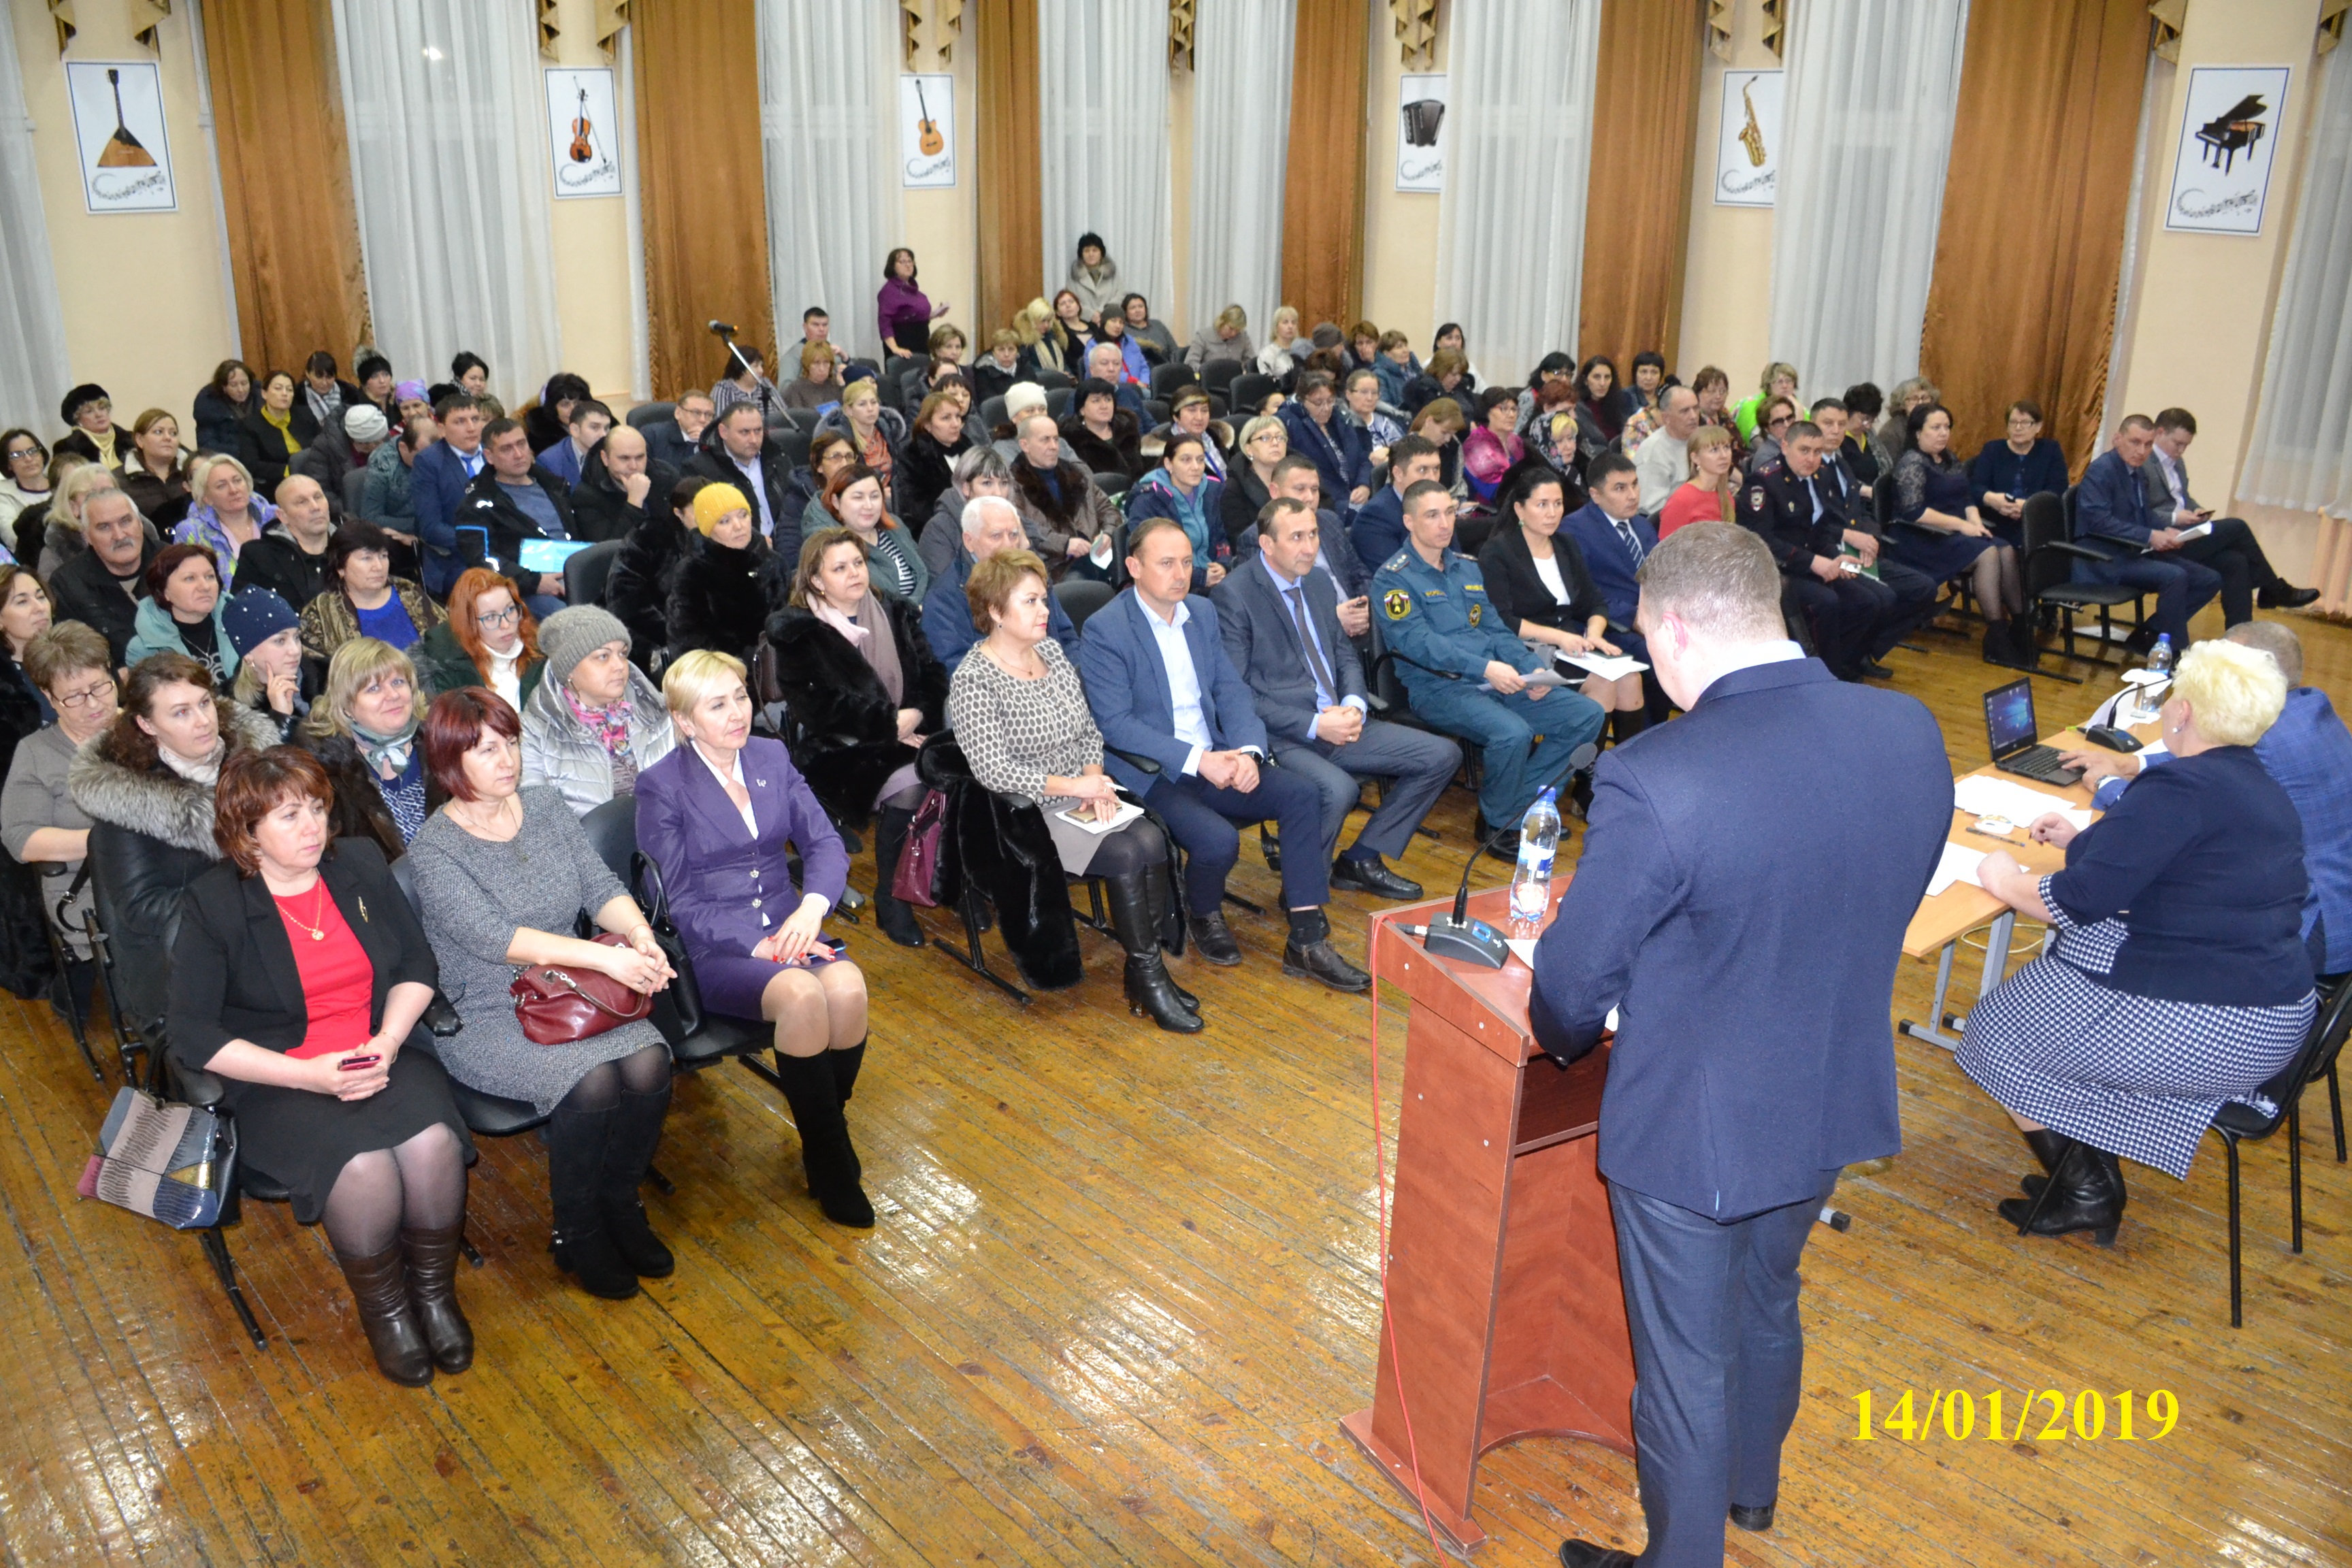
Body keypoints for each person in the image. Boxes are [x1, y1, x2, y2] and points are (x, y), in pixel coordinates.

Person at [1534, 522, 1949, 1568]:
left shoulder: (1662, 775)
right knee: (1768, 1298)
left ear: (1672, 627)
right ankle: (1753, 1496)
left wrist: (1580, 1018)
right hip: (1832, 1091)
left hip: (1695, 1130)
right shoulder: (1907, 727)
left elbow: (1573, 990)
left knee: (1683, 1363)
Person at [1959, 639, 2315, 1252]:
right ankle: (2086, 1164)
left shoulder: (2179, 789)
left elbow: (2067, 903)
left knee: (1996, 1030)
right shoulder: (2255, 783)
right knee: (2056, 993)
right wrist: (2083, 841)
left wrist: (2001, 877)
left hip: (2215, 1027)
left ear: (2184, 714)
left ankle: (2086, 1189)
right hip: (2274, 1012)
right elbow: (2173, 864)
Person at [169, 747, 474, 1385]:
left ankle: (434, 1294)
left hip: (377, 1045)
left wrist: (389, 1041)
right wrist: (312, 1075)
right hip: (280, 1074)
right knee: (363, 1168)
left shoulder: (358, 864)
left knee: (432, 1146)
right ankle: (386, 1311)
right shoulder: (214, 903)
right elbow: (194, 1034)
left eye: (317, 809)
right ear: (245, 832)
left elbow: (418, 967)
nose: (313, 828)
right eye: (288, 816)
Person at [408, 686, 678, 1300]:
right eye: (485, 750)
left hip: (575, 993)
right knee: (594, 1081)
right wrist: (609, 956)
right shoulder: (434, 849)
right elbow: (497, 939)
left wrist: (638, 935)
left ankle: (620, 1200)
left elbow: (597, 882)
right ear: (450, 762)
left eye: (511, 743)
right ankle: (577, 1232)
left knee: (649, 1060)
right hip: (489, 1009)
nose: (507, 759)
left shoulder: (547, 805)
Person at [636, 649, 874, 1223]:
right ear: (685, 721)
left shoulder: (770, 754)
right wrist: (759, 944)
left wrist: (811, 910)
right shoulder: (660, 786)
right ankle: (830, 1158)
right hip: (716, 949)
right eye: (717, 704)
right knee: (800, 994)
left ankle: (826, 1129)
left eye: (740, 696)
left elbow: (823, 844)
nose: (738, 711)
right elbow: (674, 901)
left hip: (791, 926)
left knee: (848, 987)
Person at [1080, 516, 1367, 990]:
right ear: (1133, 566)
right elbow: (1115, 725)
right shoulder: (1106, 628)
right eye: (1166, 563)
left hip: (1218, 755)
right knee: (1218, 842)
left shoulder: (1201, 612)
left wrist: (1250, 753)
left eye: (1187, 562)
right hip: (1155, 772)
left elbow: (1231, 692)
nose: (1180, 574)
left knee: (1301, 795)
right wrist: (1201, 762)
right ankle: (1204, 912)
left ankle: (1308, 939)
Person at [947, 547, 1197, 1029]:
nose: (1046, 611)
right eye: (1031, 602)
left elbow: (1088, 731)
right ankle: (1147, 976)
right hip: (1024, 812)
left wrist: (1094, 779)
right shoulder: (973, 680)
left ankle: (1146, 973)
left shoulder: (1054, 655)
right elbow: (994, 771)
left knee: (1149, 837)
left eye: (1044, 600)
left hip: (1079, 790)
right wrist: (1074, 784)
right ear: (996, 612)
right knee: (1128, 853)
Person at [2058, 621, 2352, 982]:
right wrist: (2133, 763)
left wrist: (2107, 785)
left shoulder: (2266, 742)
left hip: (2308, 930)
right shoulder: (2310, 708)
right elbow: (2220, 762)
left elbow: (2163, 820)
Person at [1214, 497, 1454, 900]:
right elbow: (1237, 693)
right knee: (1339, 790)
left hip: (1340, 720)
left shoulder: (1319, 582)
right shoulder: (1234, 595)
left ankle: (1361, 858)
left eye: (1313, 535)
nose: (1310, 547)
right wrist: (1314, 724)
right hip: (1284, 734)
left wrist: (1355, 705)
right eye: (1296, 538)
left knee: (1441, 756)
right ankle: (1302, 892)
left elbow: (1344, 653)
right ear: (1267, 545)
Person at [1375, 480, 1607, 849]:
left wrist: (1532, 669)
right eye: (1432, 515)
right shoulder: (1394, 579)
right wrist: (1486, 669)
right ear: (1408, 521)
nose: (1444, 523)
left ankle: (1524, 808)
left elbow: (1496, 630)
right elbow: (1421, 645)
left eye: (1450, 513)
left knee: (1586, 716)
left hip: (1499, 677)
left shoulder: (1466, 569)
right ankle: (1496, 825)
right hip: (1441, 687)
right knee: (1512, 733)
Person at [760, 527, 948, 946]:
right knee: (914, 786)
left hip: (908, 730)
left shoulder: (893, 611)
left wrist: (915, 715)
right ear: (816, 580)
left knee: (965, 769)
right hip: (841, 750)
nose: (854, 574)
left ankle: (950, 881)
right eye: (840, 568)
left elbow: (932, 673)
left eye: (858, 563)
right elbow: (822, 710)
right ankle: (891, 895)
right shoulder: (798, 633)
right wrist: (891, 726)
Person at [67, 653, 282, 981]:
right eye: (182, 713)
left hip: (272, 928)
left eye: (205, 703)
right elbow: (142, 909)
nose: (203, 720)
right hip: (184, 961)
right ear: (147, 724)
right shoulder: (130, 798)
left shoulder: (252, 762)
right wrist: (251, 897)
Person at [1479, 471, 1646, 747]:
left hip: (1571, 648)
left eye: (1558, 504)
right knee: (1603, 683)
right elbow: (1502, 620)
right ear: (1520, 509)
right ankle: (1587, 780)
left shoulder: (1566, 544)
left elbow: (1594, 601)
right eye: (1542, 504)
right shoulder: (1498, 552)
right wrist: (1560, 638)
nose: (1552, 513)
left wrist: (1594, 634)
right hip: (1525, 652)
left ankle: (1627, 769)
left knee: (1630, 679)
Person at [5, 623, 117, 1011]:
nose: (93, 704)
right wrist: (107, 839)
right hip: (87, 888)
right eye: (74, 697)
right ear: (50, 699)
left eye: (100, 686)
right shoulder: (36, 753)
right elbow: (22, 838)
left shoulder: (144, 726)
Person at [1739, 427, 1907, 681]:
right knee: (1826, 602)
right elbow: (1763, 541)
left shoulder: (1819, 476)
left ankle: (1847, 663)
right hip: (1783, 569)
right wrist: (1816, 563)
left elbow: (1821, 529)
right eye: (1804, 450)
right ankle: (1823, 675)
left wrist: (1836, 558)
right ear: (1785, 447)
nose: (1811, 458)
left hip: (1823, 560)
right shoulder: (1764, 482)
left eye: (1817, 452)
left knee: (1879, 597)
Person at [1886, 404, 2030, 667]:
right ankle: (1996, 635)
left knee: (2005, 549)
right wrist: (1962, 526)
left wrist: (1975, 522)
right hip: (1920, 538)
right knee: (1987, 554)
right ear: (1918, 432)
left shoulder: (1949, 458)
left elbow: (1966, 497)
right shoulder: (1911, 462)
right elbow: (1914, 512)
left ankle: (2020, 626)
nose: (1943, 434)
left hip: (1951, 533)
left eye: (1947, 427)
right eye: (1935, 428)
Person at [2142, 408, 2319, 619]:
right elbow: (2141, 511)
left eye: (2186, 446)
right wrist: (2176, 517)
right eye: (2178, 444)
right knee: (2237, 527)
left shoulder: (2177, 463)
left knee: (2235, 561)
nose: (2181, 451)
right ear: (2160, 432)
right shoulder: (2143, 463)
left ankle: (2239, 636)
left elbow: (2183, 498)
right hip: (2160, 541)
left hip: (2185, 534)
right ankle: (2273, 588)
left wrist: (2196, 510)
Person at [2072, 414, 2222, 651]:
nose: (2142, 451)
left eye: (2148, 444)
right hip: (2104, 557)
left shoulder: (2137, 472)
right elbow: (2099, 523)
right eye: (2135, 442)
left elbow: (2143, 514)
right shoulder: (2101, 471)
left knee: (2208, 579)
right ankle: (2175, 653)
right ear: (2117, 439)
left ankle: (2148, 635)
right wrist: (2151, 536)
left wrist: (2166, 531)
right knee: (2175, 576)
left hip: (2132, 551)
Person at [523, 604, 675, 813]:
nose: (619, 666)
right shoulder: (533, 732)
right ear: (569, 670)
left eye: (622, 654)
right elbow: (539, 818)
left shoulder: (657, 709)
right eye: (603, 656)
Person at [301, 638, 439, 855]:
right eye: (374, 688)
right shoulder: (326, 779)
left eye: (398, 682)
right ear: (347, 707)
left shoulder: (446, 745)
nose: (393, 695)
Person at [922, 495, 1082, 674]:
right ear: (969, 541)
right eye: (996, 536)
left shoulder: (1033, 578)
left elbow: (1067, 639)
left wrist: (1070, 678)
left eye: (1013, 535)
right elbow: (956, 668)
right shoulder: (944, 599)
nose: (1007, 545)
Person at [455, 419, 577, 615]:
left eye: (522, 444)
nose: (519, 455)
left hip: (574, 572)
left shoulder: (557, 487)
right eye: (506, 449)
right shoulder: (477, 505)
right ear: (489, 457)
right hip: (523, 588)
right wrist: (535, 582)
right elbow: (482, 559)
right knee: (567, 618)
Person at [297, 521, 443, 661]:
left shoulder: (409, 592)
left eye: (383, 556)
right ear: (340, 567)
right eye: (367, 558)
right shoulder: (321, 613)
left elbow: (447, 638)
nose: (379, 566)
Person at [47, 489, 155, 670]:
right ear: (87, 536)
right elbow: (72, 658)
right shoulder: (67, 584)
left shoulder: (174, 564)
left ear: (141, 524)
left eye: (126, 521)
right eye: (104, 527)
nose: (119, 535)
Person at [1007, 412, 1122, 581]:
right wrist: (1065, 544)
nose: (1054, 446)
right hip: (1054, 566)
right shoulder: (1012, 485)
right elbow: (1022, 529)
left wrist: (1107, 534)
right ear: (1025, 445)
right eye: (1045, 440)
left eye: (1056, 439)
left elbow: (1108, 509)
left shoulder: (1077, 473)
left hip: (1097, 556)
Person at [418, 568, 544, 710]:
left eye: (510, 610)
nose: (506, 624)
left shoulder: (542, 650)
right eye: (490, 617)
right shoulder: (448, 668)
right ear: (469, 624)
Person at [689, 402, 798, 563]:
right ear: (723, 432)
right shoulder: (700, 469)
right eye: (745, 432)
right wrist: (756, 544)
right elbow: (702, 527)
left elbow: (793, 510)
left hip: (785, 547)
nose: (754, 439)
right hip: (735, 557)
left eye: (758, 431)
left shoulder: (778, 458)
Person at [408, 393, 491, 595]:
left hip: (507, 551)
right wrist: (481, 543)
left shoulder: (495, 452)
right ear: (442, 429)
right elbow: (430, 527)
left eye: (475, 419)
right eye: (460, 422)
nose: (471, 428)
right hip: (456, 559)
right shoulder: (428, 463)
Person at [1126, 434, 1229, 593]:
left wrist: (1223, 565)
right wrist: (1199, 577)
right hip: (1171, 586)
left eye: (1200, 460)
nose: (1196, 467)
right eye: (1186, 460)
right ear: (1168, 464)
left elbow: (1223, 536)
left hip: (1215, 581)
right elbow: (1149, 554)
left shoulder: (1213, 491)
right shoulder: (1148, 500)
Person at [127, 544, 240, 681]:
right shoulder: (145, 650)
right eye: (190, 578)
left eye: (210, 576)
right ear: (163, 591)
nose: (205, 586)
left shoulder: (243, 621)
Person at [1967, 399, 2070, 544]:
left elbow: (2058, 490)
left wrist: (2029, 505)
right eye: (2013, 423)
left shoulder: (2051, 450)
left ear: (2038, 426)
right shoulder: (1992, 449)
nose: (2018, 428)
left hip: (2036, 522)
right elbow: (1975, 487)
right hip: (1997, 521)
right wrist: (1991, 499)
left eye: (2025, 423)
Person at [234, 474, 337, 610]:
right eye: (302, 502)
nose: (315, 507)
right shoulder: (259, 557)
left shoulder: (353, 545)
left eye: (318, 497)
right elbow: (243, 612)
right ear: (283, 516)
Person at [1279, 372, 1373, 519]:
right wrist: (1344, 504)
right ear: (1302, 401)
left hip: (1356, 499)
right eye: (1318, 403)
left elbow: (1362, 458)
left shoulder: (1340, 418)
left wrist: (1364, 485)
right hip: (1327, 506)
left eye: (1330, 401)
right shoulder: (1289, 423)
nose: (1326, 408)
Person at [225, 589, 312, 740]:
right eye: (280, 641)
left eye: (297, 637)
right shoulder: (231, 712)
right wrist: (281, 718)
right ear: (248, 652)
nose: (295, 650)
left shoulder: (329, 679)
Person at [569, 424, 675, 547]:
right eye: (624, 458)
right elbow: (608, 552)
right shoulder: (586, 496)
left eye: (640, 457)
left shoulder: (666, 477)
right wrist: (634, 502)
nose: (634, 466)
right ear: (605, 458)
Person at [1348, 435, 1441, 574]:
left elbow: (1454, 560)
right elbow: (1396, 577)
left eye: (1436, 469)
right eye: (1423, 470)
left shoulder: (1438, 504)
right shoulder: (1374, 517)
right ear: (1398, 474)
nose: (1433, 478)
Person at [918, 447, 1016, 578]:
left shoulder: (1014, 519)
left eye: (1004, 483)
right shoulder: (939, 529)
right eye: (987, 483)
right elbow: (945, 590)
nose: (998, 493)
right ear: (966, 488)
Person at [175, 453, 276, 566]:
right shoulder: (192, 532)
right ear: (207, 498)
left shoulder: (277, 518)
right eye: (221, 486)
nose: (234, 490)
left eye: (237, 481)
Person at [893, 390, 972, 532]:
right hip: (932, 527)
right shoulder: (913, 453)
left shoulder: (966, 446)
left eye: (958, 417)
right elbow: (917, 506)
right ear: (927, 425)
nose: (955, 424)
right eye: (946, 418)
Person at [817, 377, 903, 499]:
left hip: (893, 495)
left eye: (874, 402)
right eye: (862, 404)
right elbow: (843, 483)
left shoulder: (888, 430)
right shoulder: (842, 440)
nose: (870, 409)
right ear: (849, 410)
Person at [292, 402, 389, 504]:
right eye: (376, 443)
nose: (381, 446)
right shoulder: (324, 447)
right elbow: (320, 491)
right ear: (360, 441)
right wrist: (347, 510)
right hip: (347, 507)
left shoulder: (380, 433)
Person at [1060, 377, 1147, 485]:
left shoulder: (1127, 430)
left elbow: (1140, 472)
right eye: (1096, 401)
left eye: (1108, 399)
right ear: (1082, 409)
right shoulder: (1071, 439)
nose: (1104, 406)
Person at [1219, 416, 1289, 548]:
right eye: (1265, 438)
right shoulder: (1233, 489)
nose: (1275, 443)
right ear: (1248, 449)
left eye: (1280, 438)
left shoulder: (1297, 479)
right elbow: (1240, 540)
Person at [1659, 425, 1737, 539]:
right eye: (1714, 450)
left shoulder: (1726, 496)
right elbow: (1666, 548)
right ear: (1696, 458)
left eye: (1726, 447)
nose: (1724, 456)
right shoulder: (1681, 500)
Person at [120, 409, 194, 530]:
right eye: (158, 432)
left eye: (173, 433)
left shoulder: (194, 473)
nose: (168, 438)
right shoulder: (120, 480)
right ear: (140, 440)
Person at [1633, 387, 1700, 517]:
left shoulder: (1698, 439)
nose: (1694, 416)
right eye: (1685, 411)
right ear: (1666, 418)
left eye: (1696, 408)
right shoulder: (1654, 451)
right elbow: (1650, 508)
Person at [362, 414, 431, 539]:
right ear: (403, 447)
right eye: (422, 457)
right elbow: (371, 518)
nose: (430, 463)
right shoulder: (381, 465)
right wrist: (421, 524)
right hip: (402, 533)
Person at [237, 372, 306, 489]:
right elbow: (251, 465)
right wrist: (288, 470)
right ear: (264, 393)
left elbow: (320, 447)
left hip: (312, 475)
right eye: (278, 389)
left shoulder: (305, 415)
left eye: (289, 390)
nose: (285, 394)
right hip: (276, 484)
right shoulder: (249, 425)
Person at [879, 246, 949, 357]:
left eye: (910, 261)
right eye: (902, 262)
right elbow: (885, 322)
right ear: (893, 266)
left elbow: (912, 316)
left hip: (922, 343)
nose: (908, 265)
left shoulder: (913, 289)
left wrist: (935, 314)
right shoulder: (889, 291)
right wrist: (895, 348)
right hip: (902, 345)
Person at [1462, 387, 1525, 507]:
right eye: (1504, 409)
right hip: (1487, 515)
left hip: (1516, 505)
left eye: (1514, 409)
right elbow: (1497, 494)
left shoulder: (1515, 441)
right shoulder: (1477, 445)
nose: (1511, 415)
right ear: (1487, 412)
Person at [535, 398, 612, 490]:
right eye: (595, 428)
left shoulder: (613, 453)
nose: (603, 434)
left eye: (606, 428)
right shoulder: (549, 462)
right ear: (575, 430)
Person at [643, 389, 717, 473]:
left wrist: (705, 445)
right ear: (678, 413)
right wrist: (691, 445)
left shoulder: (716, 441)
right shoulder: (652, 435)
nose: (703, 420)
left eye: (708, 415)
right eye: (696, 413)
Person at [193, 361, 255, 459]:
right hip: (229, 460)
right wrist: (244, 452)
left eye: (244, 383)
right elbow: (207, 446)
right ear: (224, 387)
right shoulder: (208, 405)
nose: (241, 390)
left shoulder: (262, 397)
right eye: (234, 385)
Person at [54, 384, 123, 470]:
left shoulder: (130, 441)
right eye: (89, 411)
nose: (99, 415)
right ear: (77, 419)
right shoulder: (67, 449)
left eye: (102, 408)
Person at [1732, 361, 1804, 442]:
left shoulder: (1800, 408)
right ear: (1769, 384)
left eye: (1789, 381)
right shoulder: (1750, 405)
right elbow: (1760, 444)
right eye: (1780, 382)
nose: (1785, 386)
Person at [710, 348, 779, 423]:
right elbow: (720, 421)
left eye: (761, 366)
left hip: (772, 432)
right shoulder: (724, 389)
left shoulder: (766, 384)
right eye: (756, 366)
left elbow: (783, 412)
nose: (761, 371)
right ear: (741, 368)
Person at [1186, 305, 1255, 373]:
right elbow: (1190, 362)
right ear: (1222, 322)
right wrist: (1205, 372)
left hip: (1234, 379)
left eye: (1237, 331)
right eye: (1231, 328)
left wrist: (1244, 370)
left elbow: (1251, 361)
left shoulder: (1243, 337)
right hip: (1209, 380)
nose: (1234, 333)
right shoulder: (1203, 336)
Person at [1065, 231, 1120, 316]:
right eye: (1087, 251)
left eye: (1095, 250)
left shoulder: (1112, 272)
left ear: (1101, 253)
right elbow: (1071, 300)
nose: (1091, 254)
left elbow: (1120, 294)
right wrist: (1090, 315)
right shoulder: (1074, 275)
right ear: (1081, 254)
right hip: (1083, 321)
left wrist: (1105, 312)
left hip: (1110, 319)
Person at [1122, 292, 1179, 364]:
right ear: (1125, 312)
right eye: (1133, 308)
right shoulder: (1123, 330)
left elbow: (1174, 351)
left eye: (1141, 306)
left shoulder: (1158, 325)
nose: (1138, 310)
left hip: (1165, 368)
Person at [1257, 306, 1305, 382]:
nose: (1290, 326)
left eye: (1293, 323)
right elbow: (1266, 383)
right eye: (1285, 322)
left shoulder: (1301, 351)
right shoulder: (1268, 353)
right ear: (1276, 327)